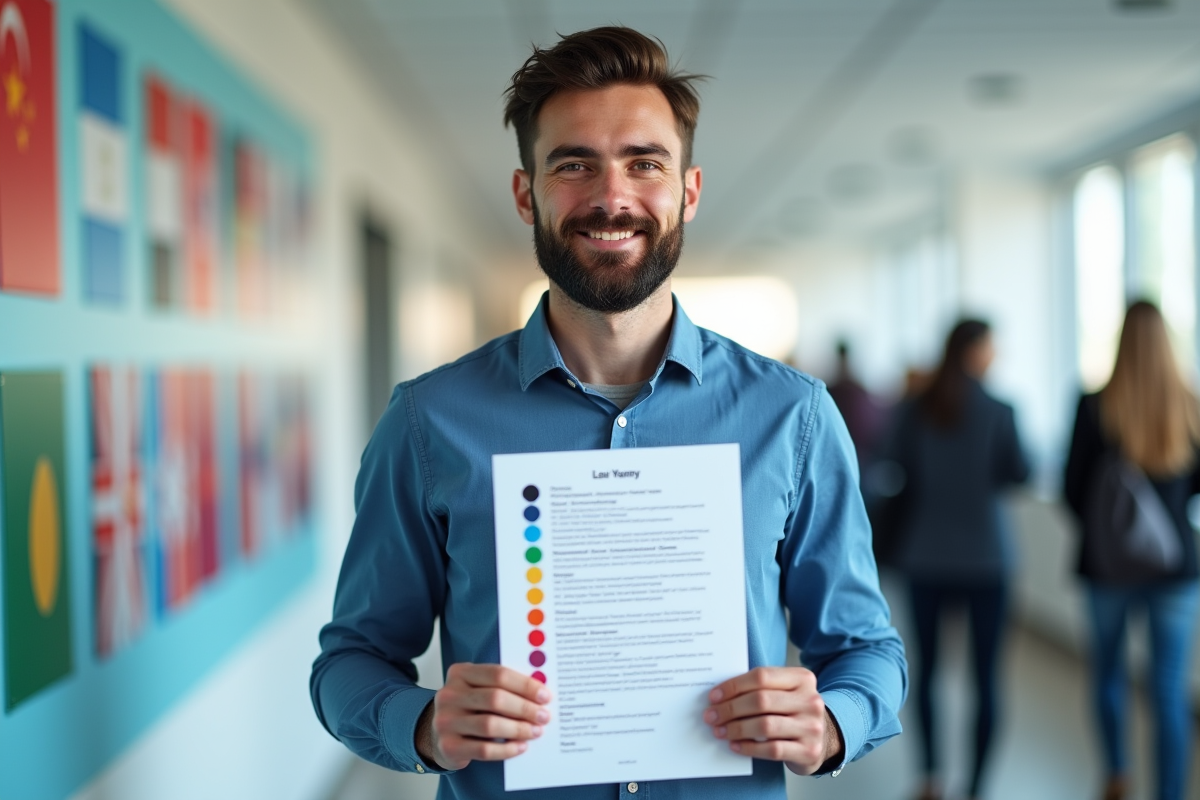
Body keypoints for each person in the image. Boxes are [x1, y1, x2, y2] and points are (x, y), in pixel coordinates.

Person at [309, 27, 906, 799]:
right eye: (574, 164)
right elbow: (349, 660)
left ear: (688, 189)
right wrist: (419, 724)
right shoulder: (428, 423)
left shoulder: (792, 417)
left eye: (644, 163)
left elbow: (867, 650)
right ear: (527, 193)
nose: (611, 197)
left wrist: (832, 722)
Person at [878, 319, 1029, 800]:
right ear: (975, 351)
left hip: (925, 555)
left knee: (929, 673)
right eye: (991, 348)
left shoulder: (915, 407)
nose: (995, 356)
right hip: (988, 559)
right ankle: (978, 785)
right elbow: (1019, 473)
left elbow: (890, 462)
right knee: (987, 678)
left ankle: (930, 777)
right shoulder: (1000, 410)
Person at [1063, 301, 1200, 800]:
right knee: (1168, 691)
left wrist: (1114, 531)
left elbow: (1072, 489)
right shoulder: (1190, 405)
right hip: (1176, 570)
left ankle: (1118, 774)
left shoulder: (1093, 405)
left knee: (1109, 675)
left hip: (1106, 568)